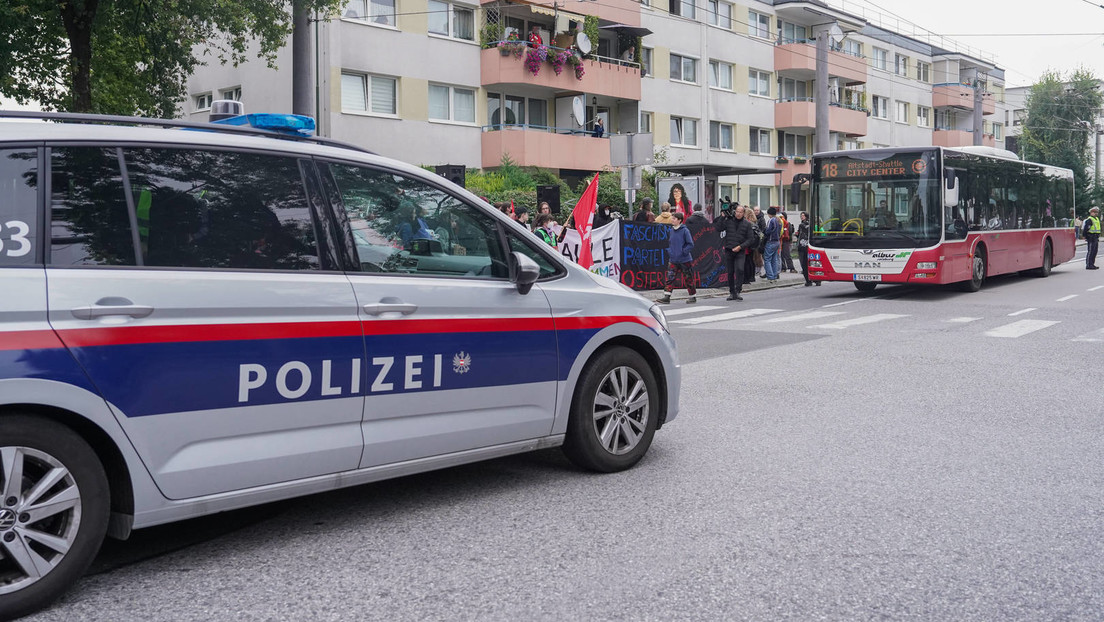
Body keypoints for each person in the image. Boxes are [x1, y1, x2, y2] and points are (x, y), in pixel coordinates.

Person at [716, 205, 757, 301]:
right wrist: (722, 217)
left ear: (743, 213)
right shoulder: (729, 221)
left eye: (740, 212)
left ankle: (738, 290)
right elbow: (718, 228)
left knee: (740, 270)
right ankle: (732, 292)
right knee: (730, 272)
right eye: (737, 212)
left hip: (740, 251)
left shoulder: (747, 224)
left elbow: (751, 239)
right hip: (729, 250)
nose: (738, 214)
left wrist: (740, 247)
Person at [658, 212, 696, 304]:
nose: (672, 220)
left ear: (679, 220)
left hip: (684, 259)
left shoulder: (685, 231)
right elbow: (671, 243)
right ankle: (667, 296)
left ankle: (692, 296)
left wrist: (683, 252)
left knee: (688, 278)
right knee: (670, 277)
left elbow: (690, 244)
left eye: (674, 219)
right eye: (672, 218)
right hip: (673, 259)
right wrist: (670, 252)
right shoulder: (671, 230)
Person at [796, 211, 819, 286]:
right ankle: (817, 280)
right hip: (811, 245)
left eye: (803, 215)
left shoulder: (801, 225)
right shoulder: (812, 224)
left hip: (803, 246)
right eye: (801, 215)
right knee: (812, 263)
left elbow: (799, 235)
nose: (802, 217)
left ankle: (809, 281)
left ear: (806, 216)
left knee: (804, 264)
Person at [763, 206, 783, 281]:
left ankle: (770, 276)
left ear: (769, 214)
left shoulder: (771, 220)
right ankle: (775, 275)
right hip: (777, 242)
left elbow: (768, 231)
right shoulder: (779, 220)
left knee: (767, 259)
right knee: (774, 259)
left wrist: (764, 232)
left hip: (770, 241)